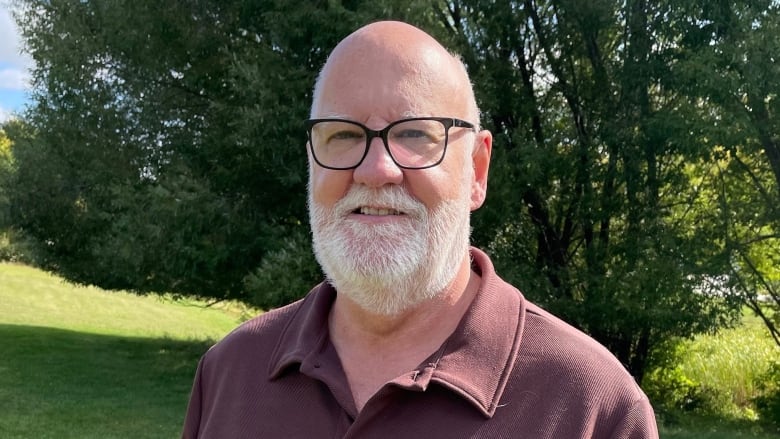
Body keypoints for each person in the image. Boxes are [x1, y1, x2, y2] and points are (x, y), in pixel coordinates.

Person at [182, 20, 659, 438]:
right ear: (312, 160)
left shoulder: (594, 410)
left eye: (414, 135)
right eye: (343, 135)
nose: (375, 170)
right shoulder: (229, 374)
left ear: (476, 169)